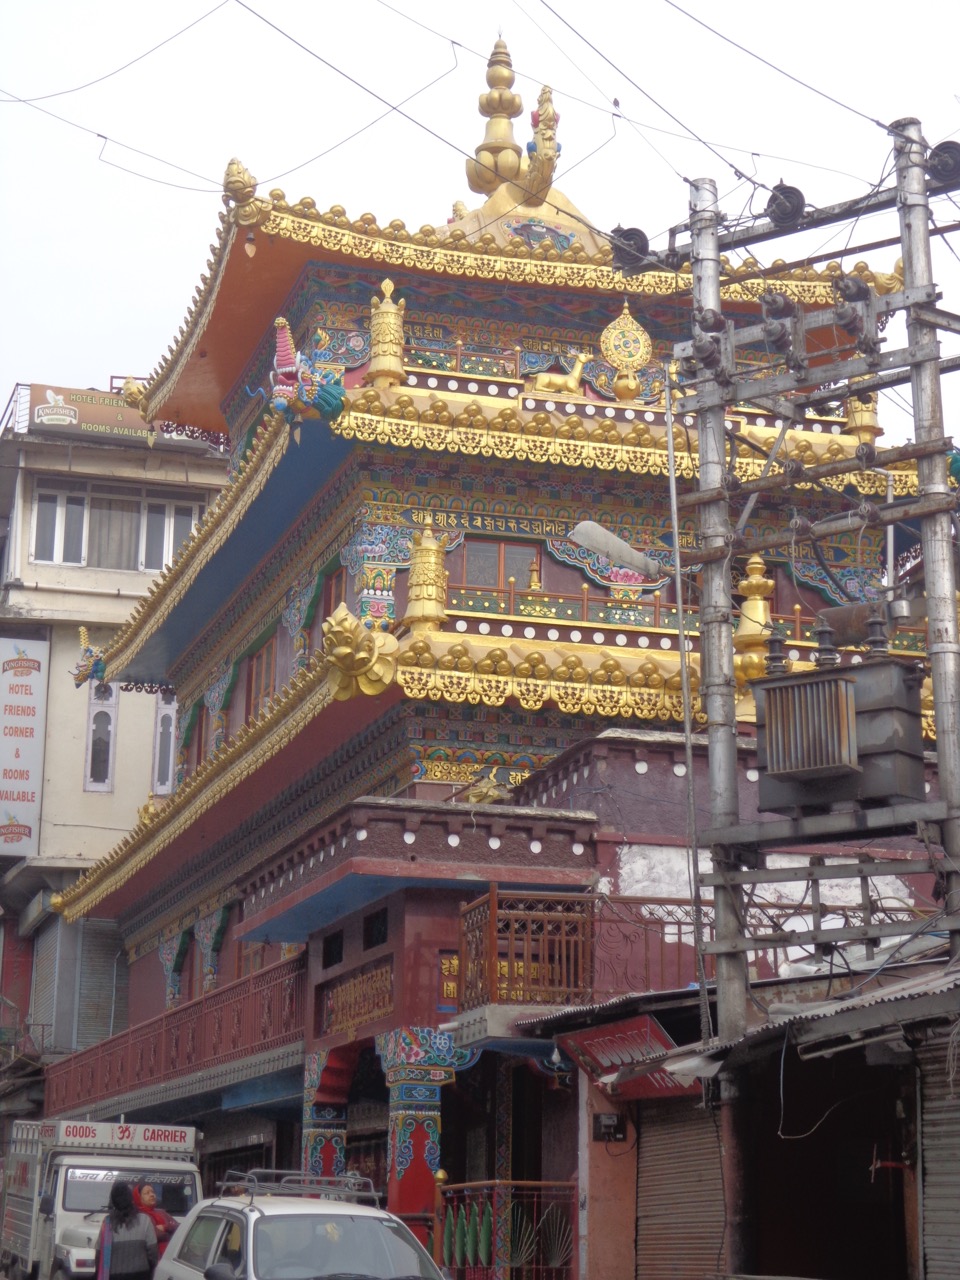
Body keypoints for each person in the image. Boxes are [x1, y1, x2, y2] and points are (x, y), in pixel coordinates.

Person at [95, 1181, 157, 1280]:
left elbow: (99, 1254)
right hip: (141, 1276)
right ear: (131, 1199)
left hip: (114, 1277)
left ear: (114, 1202)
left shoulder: (108, 1223)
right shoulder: (145, 1220)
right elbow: (153, 1254)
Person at [133, 1182, 178, 1257]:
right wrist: (172, 1234)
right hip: (153, 1258)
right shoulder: (139, 1215)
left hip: (171, 1254)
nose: (152, 1195)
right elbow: (153, 1235)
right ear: (138, 1197)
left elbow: (179, 1227)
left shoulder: (161, 1212)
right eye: (147, 1193)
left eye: (153, 1192)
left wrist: (165, 1227)